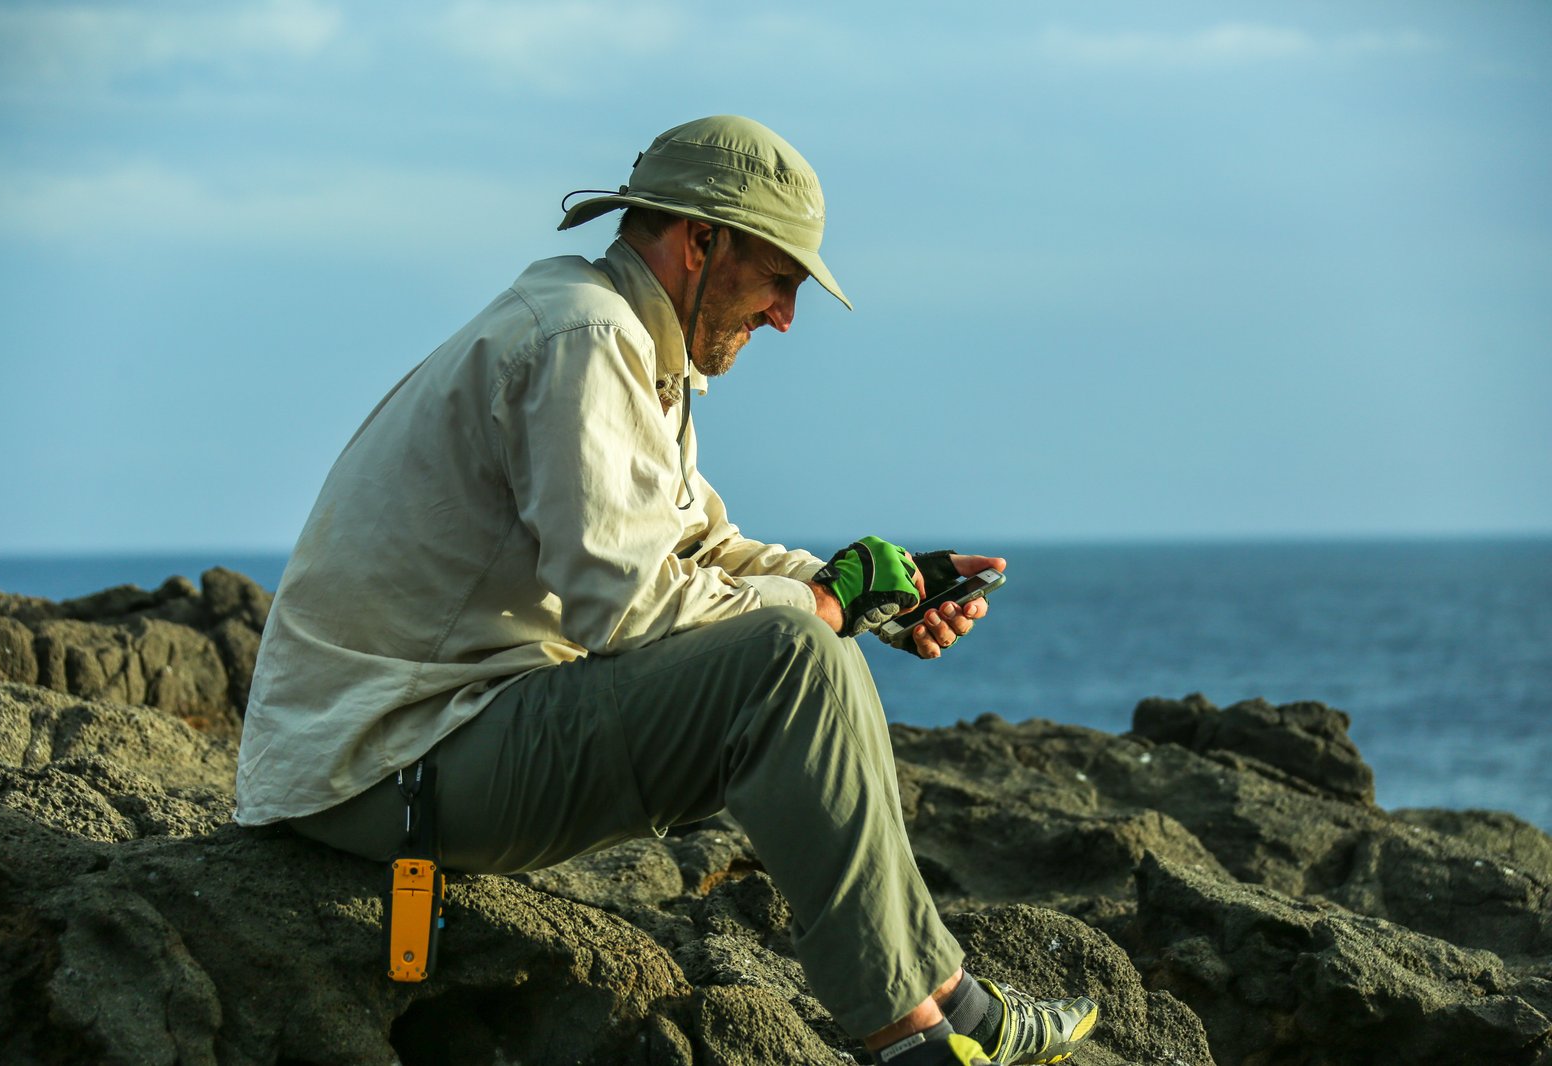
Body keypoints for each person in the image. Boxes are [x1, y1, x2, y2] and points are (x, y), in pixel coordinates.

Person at [234, 115, 1098, 1066]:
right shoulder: (583, 339)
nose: (784, 316)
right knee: (792, 660)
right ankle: (913, 1044)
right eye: (780, 279)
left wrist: (855, 591)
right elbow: (624, 603)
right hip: (383, 771)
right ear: (700, 242)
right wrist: (821, 609)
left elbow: (698, 544)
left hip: (412, 749)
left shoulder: (625, 336)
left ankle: (953, 1007)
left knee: (809, 646)